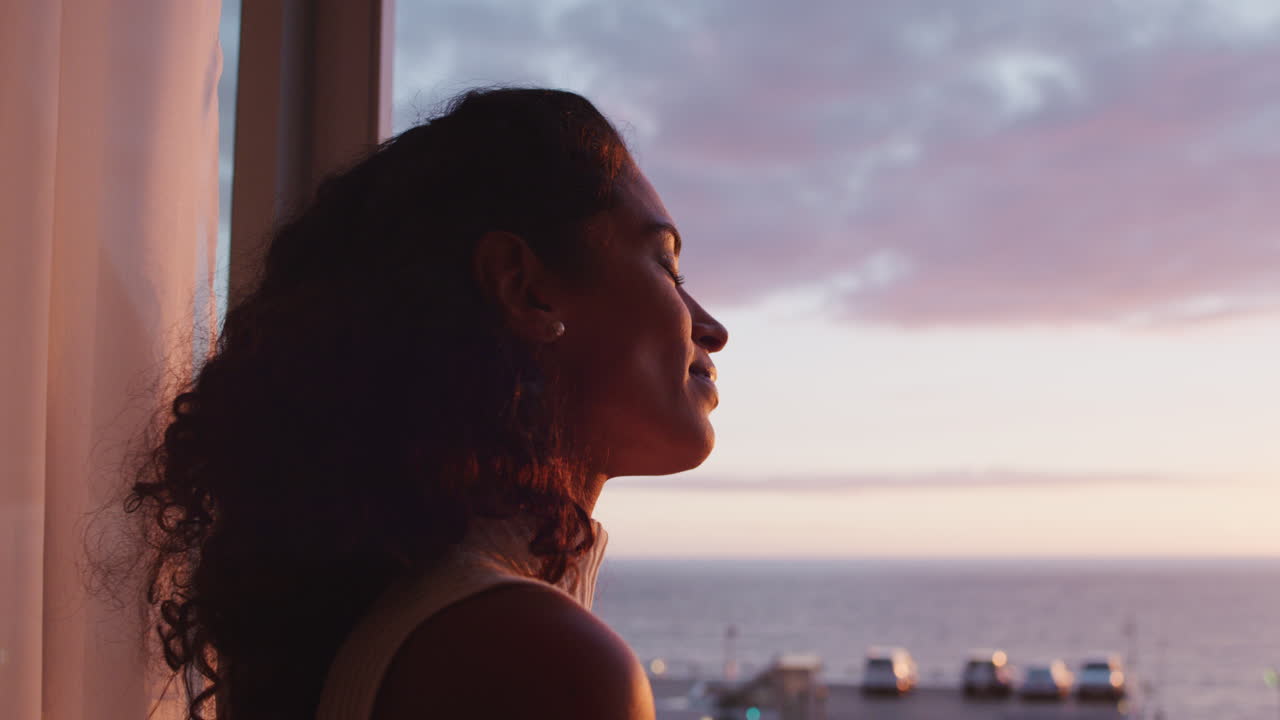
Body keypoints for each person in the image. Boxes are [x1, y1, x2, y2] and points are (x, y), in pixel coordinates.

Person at [123, 87, 728, 720]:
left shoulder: (407, 619)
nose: (711, 328)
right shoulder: (536, 660)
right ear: (525, 289)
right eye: (667, 268)